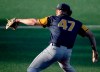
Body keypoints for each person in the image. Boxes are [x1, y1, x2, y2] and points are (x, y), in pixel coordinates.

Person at [14, 3, 98, 72]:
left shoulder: (52, 18)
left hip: (54, 50)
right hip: (67, 52)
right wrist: (94, 51)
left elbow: (33, 22)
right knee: (66, 67)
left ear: (58, 11)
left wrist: (18, 20)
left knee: (32, 69)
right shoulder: (78, 23)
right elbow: (91, 35)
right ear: (68, 12)